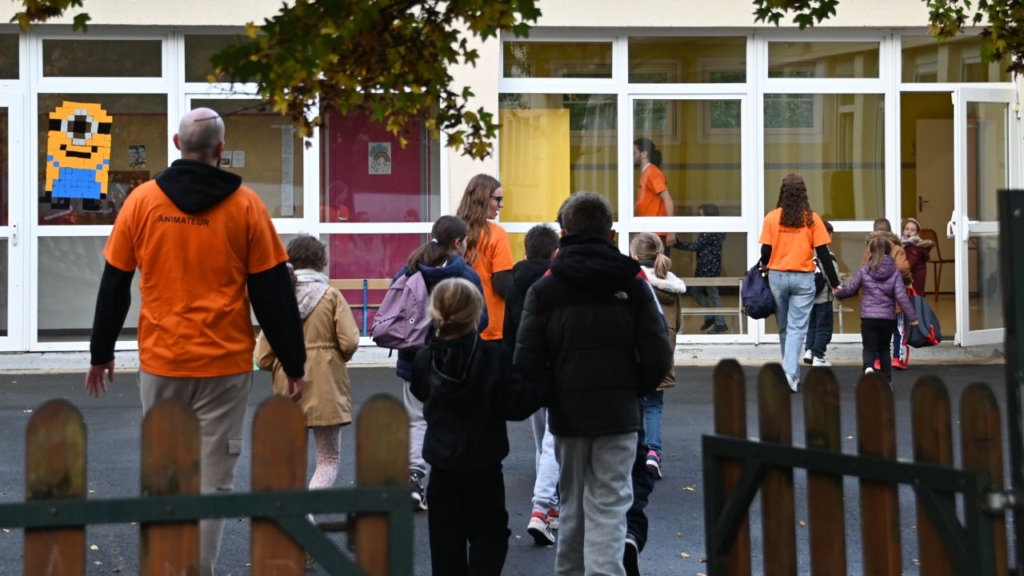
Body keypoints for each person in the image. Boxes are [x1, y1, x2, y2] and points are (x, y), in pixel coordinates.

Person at [85, 108, 307, 576]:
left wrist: (101, 353)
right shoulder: (246, 206)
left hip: (162, 363)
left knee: (165, 478)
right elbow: (271, 292)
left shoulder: (142, 201)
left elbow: (115, 283)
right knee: (213, 483)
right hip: (224, 367)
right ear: (220, 149)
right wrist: (294, 362)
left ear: (176, 143)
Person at [515, 192, 673, 576]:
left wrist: (555, 393)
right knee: (610, 507)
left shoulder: (545, 288)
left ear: (563, 233)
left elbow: (527, 361)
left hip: (568, 419)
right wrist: (632, 390)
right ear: (611, 233)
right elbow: (658, 354)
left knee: (571, 507)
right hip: (619, 417)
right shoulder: (633, 284)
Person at [411, 278, 545, 576]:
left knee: (445, 546)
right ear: (476, 313)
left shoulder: (425, 358)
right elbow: (516, 405)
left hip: (442, 467)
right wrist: (543, 383)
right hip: (483, 465)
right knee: (490, 535)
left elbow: (420, 391)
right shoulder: (492, 357)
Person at [391, 215, 488, 511]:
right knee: (454, 420)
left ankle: (413, 479)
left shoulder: (410, 268)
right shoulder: (465, 275)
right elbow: (482, 319)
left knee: (416, 419)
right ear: (458, 242)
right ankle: (451, 483)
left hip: (413, 357)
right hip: (455, 361)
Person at [254, 235, 360, 497]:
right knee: (328, 459)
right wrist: (334, 357)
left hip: (288, 388)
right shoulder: (331, 296)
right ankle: (309, 507)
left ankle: (296, 509)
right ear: (320, 262)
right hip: (327, 385)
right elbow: (349, 341)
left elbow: (262, 357)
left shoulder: (281, 298)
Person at [503, 223, 561, 546]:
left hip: (527, 371)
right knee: (555, 440)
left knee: (543, 444)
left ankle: (550, 509)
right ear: (555, 252)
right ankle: (541, 508)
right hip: (556, 370)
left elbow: (510, 330)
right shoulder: (557, 281)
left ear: (525, 253)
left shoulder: (515, 282)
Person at [759, 173, 840, 392]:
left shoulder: (772, 217)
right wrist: (835, 283)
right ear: (803, 192)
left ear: (782, 192)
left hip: (777, 277)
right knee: (796, 329)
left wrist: (764, 265)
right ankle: (789, 373)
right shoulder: (812, 219)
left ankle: (789, 373)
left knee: (785, 328)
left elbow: (765, 251)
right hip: (803, 278)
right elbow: (823, 254)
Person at [629, 232, 686, 480]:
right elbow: (678, 323)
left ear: (635, 255)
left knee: (633, 405)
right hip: (661, 353)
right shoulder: (671, 285)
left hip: (635, 353)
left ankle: (634, 455)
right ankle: (653, 454)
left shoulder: (633, 282)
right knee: (654, 404)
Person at [834, 236, 919, 383]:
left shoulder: (864, 270)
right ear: (889, 251)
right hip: (887, 318)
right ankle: (887, 380)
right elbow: (901, 296)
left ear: (871, 251)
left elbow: (852, 289)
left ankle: (868, 367)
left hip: (868, 317)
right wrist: (912, 317)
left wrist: (838, 294)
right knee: (884, 349)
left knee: (869, 348)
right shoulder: (894, 272)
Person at [457, 174, 514, 342]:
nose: (501, 205)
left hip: (457, 326)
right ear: (482, 198)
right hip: (490, 326)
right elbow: (503, 284)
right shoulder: (497, 235)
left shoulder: (454, 232)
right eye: (498, 199)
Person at [860, 218, 913, 370]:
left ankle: (876, 360)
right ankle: (897, 358)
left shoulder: (870, 249)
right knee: (898, 328)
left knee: (876, 331)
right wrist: (907, 280)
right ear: (890, 231)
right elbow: (903, 268)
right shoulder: (897, 248)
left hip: (873, 299)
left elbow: (862, 270)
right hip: (893, 297)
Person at [676, 203, 728, 333]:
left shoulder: (710, 231)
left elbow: (695, 246)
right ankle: (710, 315)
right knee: (695, 290)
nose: (699, 219)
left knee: (713, 294)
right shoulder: (715, 229)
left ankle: (720, 322)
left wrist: (677, 243)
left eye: (701, 216)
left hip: (708, 269)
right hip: (706, 268)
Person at [803, 219, 839, 367]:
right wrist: (838, 290)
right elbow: (832, 276)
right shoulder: (827, 255)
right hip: (824, 299)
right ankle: (819, 356)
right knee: (824, 327)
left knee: (812, 326)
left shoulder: (807, 253)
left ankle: (809, 351)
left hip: (809, 298)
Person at [633, 138, 676, 250]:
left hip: (655, 233)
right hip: (650, 232)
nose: (631, 156)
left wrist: (671, 230)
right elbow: (642, 202)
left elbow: (667, 199)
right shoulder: (647, 172)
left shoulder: (652, 172)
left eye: (634, 153)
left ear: (644, 154)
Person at [901, 217, 934, 296]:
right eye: (907, 229)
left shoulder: (914, 248)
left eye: (912, 230)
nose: (909, 231)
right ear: (903, 230)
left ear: (917, 233)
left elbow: (909, 264)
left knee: (914, 297)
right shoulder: (906, 245)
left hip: (914, 278)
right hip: (915, 277)